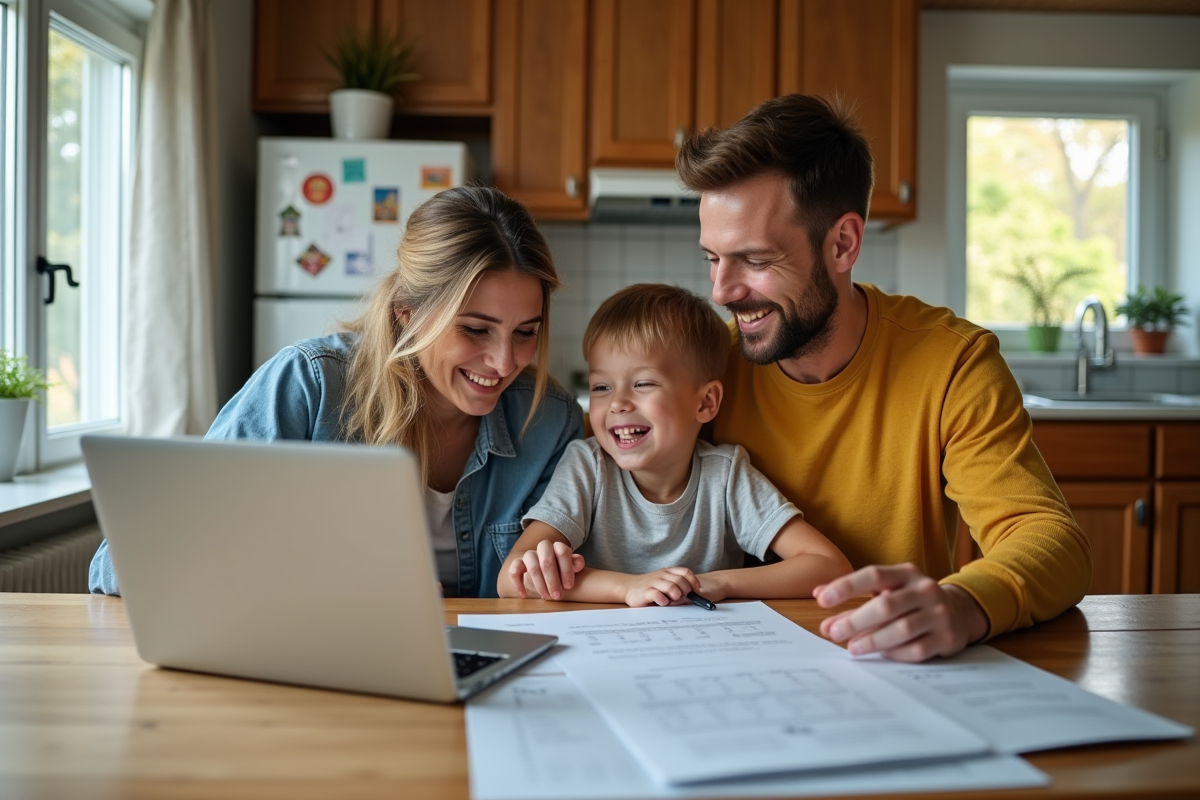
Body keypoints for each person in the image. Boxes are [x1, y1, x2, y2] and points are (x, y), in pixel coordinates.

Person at [676, 94, 1093, 662]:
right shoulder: (702, 370)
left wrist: (965, 604)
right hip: (728, 661)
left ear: (843, 243)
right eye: (712, 258)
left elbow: (1051, 541)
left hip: (897, 668)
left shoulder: (951, 364)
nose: (722, 291)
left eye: (754, 260)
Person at [89, 186, 584, 598]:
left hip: (490, 666)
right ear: (406, 312)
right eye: (476, 329)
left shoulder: (547, 421)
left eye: (525, 332)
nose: (504, 362)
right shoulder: (310, 386)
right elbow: (117, 566)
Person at [496, 283, 852, 606]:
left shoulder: (725, 476)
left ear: (706, 403)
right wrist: (628, 588)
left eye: (644, 384)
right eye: (601, 387)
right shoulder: (587, 467)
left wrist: (718, 583)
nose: (617, 403)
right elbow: (513, 578)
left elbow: (829, 567)